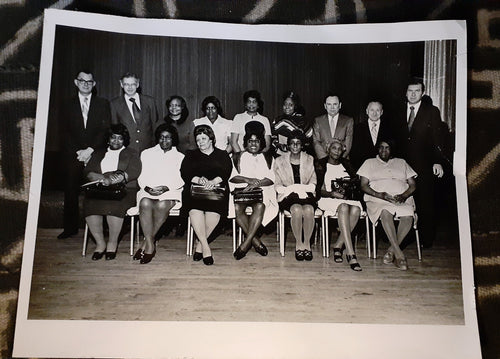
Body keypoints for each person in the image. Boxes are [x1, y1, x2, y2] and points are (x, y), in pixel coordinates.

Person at [58, 70, 111, 239]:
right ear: (76, 82)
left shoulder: (102, 103)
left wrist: (90, 150)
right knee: (71, 191)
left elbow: (105, 130)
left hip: (96, 153)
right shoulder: (66, 104)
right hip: (73, 154)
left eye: (89, 81)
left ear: (94, 84)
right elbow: (63, 131)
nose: (86, 84)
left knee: (100, 189)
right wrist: (78, 151)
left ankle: (102, 230)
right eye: (82, 80)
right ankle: (70, 228)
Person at [393, 78, 444, 248]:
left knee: (425, 202)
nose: (413, 94)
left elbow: (438, 140)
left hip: (424, 165)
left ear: (422, 93)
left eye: (417, 91)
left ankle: (425, 239)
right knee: (404, 200)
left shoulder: (432, 111)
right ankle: (404, 238)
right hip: (402, 166)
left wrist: (437, 162)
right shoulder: (397, 111)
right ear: (405, 92)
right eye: (410, 90)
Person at [83, 124, 141, 260]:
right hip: (100, 188)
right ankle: (100, 244)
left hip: (123, 190)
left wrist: (114, 180)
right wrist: (103, 178)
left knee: (115, 206)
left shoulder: (131, 153)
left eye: (120, 138)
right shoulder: (98, 153)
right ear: (108, 140)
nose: (116, 141)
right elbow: (88, 172)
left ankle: (112, 243)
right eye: (113, 138)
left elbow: (134, 171)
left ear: (124, 140)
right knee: (90, 204)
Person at [357, 140, 417, 271]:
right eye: (381, 148)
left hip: (401, 199)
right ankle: (400, 255)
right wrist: (381, 195)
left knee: (408, 215)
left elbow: (412, 185)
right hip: (378, 199)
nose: (384, 151)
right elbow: (363, 185)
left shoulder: (401, 162)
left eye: (387, 148)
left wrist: (404, 195)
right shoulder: (369, 163)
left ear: (392, 150)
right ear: (378, 149)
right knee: (385, 212)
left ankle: (391, 251)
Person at [180, 125, 233, 265]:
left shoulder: (222, 154)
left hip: (216, 191)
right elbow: (184, 172)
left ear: (211, 139)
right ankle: (206, 247)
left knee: (214, 213)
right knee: (194, 209)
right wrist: (198, 180)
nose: (201, 142)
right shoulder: (191, 154)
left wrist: (213, 182)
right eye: (198, 140)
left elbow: (226, 171)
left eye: (204, 138)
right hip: (195, 191)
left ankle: (199, 246)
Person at [133, 124, 185, 264]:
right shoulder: (147, 153)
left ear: (173, 139)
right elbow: (141, 175)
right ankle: (151, 243)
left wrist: (166, 187)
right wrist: (147, 187)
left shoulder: (180, 157)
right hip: (149, 189)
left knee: (162, 205)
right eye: (161, 137)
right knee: (144, 202)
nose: (164, 141)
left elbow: (181, 178)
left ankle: (146, 244)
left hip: (171, 190)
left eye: (168, 138)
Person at [230, 123, 279, 260]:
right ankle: (256, 242)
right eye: (250, 141)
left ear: (261, 143)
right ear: (245, 142)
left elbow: (271, 178)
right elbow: (233, 177)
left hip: (263, 192)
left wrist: (257, 183)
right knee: (237, 208)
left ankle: (245, 244)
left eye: (256, 141)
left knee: (260, 206)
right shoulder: (237, 157)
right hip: (242, 193)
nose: (253, 144)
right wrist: (249, 180)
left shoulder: (268, 158)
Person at [317, 139, 362, 271]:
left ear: (343, 150)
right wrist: (331, 194)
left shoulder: (347, 164)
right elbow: (317, 189)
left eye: (339, 148)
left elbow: (356, 184)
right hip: (327, 198)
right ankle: (350, 253)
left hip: (346, 198)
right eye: (334, 148)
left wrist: (349, 190)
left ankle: (338, 245)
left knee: (356, 209)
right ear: (328, 149)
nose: (336, 151)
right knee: (343, 207)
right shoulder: (320, 164)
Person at [273, 131, 317, 261]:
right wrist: (292, 189)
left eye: (298, 143)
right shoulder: (279, 161)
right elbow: (277, 185)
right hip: (288, 195)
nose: (295, 146)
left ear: (302, 145)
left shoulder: (309, 159)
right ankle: (299, 243)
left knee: (309, 209)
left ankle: (307, 244)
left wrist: (300, 188)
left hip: (306, 194)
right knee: (297, 209)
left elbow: (313, 183)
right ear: (288, 145)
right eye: (292, 143)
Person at [110, 72, 161, 153]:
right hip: (127, 151)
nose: (130, 87)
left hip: (148, 150)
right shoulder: (114, 104)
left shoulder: (150, 101)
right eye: (126, 84)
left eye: (133, 84)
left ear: (137, 84)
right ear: (121, 84)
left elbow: (155, 125)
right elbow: (116, 130)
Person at [312, 93, 354, 191]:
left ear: (340, 105)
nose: (332, 107)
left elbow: (348, 143)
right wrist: (326, 161)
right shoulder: (318, 121)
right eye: (329, 104)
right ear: (325, 106)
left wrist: (337, 160)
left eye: (335, 104)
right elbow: (316, 142)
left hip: (342, 163)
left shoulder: (348, 120)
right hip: (322, 164)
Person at [350, 101, 393, 170]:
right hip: (364, 168)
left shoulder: (389, 128)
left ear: (381, 112)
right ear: (367, 111)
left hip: (384, 169)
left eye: (377, 110)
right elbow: (355, 152)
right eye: (372, 110)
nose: (374, 113)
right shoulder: (358, 128)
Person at [230, 90, 272, 155]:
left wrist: (258, 156)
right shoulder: (238, 117)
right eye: (249, 102)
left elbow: (267, 144)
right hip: (241, 155)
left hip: (259, 156)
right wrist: (241, 156)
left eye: (254, 102)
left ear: (258, 105)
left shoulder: (264, 120)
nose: (251, 104)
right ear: (245, 104)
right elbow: (233, 142)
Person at [271, 91, 313, 156]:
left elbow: (309, 140)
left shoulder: (303, 121)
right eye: (285, 104)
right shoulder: (277, 120)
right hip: (279, 156)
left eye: (290, 105)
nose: (287, 107)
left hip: (298, 156)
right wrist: (278, 145)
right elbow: (272, 137)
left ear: (295, 106)